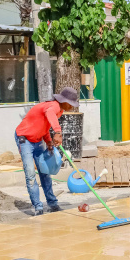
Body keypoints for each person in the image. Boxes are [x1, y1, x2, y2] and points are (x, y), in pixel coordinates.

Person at [15, 87, 79, 216]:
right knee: (30, 174)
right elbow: (49, 114)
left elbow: (44, 126)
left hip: (38, 140)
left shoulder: (59, 111)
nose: (72, 107)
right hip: (25, 139)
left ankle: (52, 204)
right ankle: (38, 207)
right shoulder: (53, 106)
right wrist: (58, 132)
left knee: (45, 171)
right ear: (64, 101)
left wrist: (48, 140)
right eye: (71, 104)